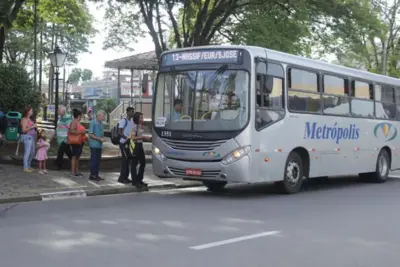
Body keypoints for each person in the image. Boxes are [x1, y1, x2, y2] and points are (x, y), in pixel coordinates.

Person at [130, 112, 151, 189]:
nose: (143, 119)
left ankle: (139, 179)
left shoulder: (141, 125)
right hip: (135, 146)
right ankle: (134, 181)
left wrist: (144, 138)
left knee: (143, 163)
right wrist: (143, 137)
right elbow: (133, 138)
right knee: (134, 164)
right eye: (141, 117)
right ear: (137, 118)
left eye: (143, 117)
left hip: (140, 145)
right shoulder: (134, 126)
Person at [118, 107, 135, 184]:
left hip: (128, 143)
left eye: (133, 111)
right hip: (123, 143)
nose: (132, 113)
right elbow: (120, 132)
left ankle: (126, 177)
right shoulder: (123, 121)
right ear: (127, 112)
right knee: (124, 161)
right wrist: (126, 138)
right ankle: (122, 178)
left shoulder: (131, 121)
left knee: (127, 160)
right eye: (131, 111)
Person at [88, 110, 106, 181]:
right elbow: (90, 134)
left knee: (98, 161)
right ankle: (92, 175)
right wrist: (99, 139)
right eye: (102, 116)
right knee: (94, 160)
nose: (103, 117)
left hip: (99, 145)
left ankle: (96, 175)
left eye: (103, 116)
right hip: (94, 145)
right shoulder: (93, 122)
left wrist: (102, 139)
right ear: (98, 116)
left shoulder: (102, 123)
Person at [68, 109, 86, 177]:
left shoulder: (77, 122)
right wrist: (81, 132)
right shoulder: (74, 122)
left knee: (77, 157)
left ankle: (76, 171)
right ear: (79, 116)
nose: (81, 117)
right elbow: (71, 131)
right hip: (75, 142)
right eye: (81, 116)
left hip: (79, 141)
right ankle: (73, 172)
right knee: (74, 156)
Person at [55, 105, 72, 170]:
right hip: (61, 138)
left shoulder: (67, 117)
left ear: (63, 111)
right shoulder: (61, 117)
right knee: (68, 153)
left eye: (59, 110)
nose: (58, 111)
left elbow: (70, 127)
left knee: (60, 151)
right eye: (58, 110)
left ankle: (58, 165)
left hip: (65, 138)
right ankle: (75, 161)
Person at [20, 106, 37, 172]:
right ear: (28, 111)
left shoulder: (30, 119)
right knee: (27, 152)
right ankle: (25, 167)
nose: (32, 112)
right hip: (27, 137)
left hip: (31, 137)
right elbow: (23, 130)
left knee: (32, 153)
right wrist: (32, 127)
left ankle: (28, 166)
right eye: (31, 110)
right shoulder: (24, 119)